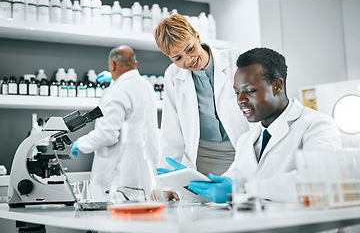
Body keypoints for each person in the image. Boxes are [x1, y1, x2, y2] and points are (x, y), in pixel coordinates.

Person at [185, 47, 341, 203]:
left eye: (250, 90)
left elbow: (318, 181)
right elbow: (228, 183)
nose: (240, 100)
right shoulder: (247, 140)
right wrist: (188, 184)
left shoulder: (317, 126)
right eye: (237, 92)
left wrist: (244, 188)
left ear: (277, 86)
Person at [154, 14, 249, 177]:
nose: (189, 60)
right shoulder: (172, 75)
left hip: (243, 154)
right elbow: (172, 130)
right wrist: (168, 178)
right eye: (177, 58)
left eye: (190, 49)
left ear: (197, 36)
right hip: (202, 160)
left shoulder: (239, 60)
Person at [71, 45, 160, 201]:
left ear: (112, 65)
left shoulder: (118, 90)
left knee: (113, 222)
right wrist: (114, 82)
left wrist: (81, 143)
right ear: (136, 64)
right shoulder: (146, 86)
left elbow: (107, 134)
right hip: (143, 173)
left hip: (119, 178)